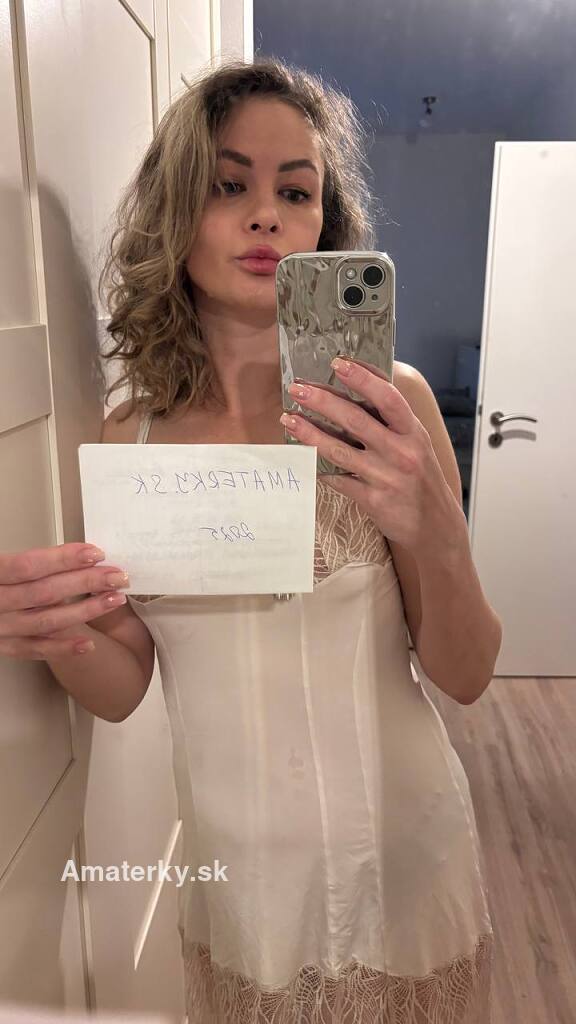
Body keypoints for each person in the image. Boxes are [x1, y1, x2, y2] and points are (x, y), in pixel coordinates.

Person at [0, 57, 502, 1024]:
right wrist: (57, 628)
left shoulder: (387, 407)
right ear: (177, 213)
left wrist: (432, 523)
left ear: (325, 226)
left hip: (405, 859)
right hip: (242, 890)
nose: (265, 215)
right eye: (229, 186)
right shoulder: (129, 437)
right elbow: (125, 685)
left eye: (296, 192)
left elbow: (469, 671)